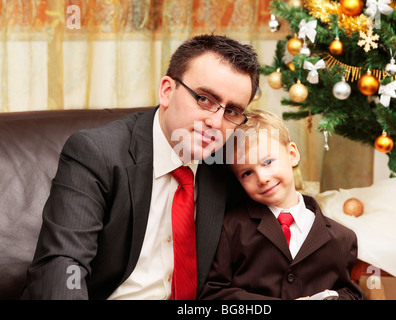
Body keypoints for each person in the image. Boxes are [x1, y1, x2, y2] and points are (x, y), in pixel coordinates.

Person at [24, 34, 260, 300]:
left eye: (231, 111)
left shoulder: (227, 163)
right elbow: (61, 265)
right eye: (204, 99)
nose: (216, 123)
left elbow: (273, 219)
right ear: (167, 91)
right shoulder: (96, 152)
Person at [199, 109, 366, 300]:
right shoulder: (230, 229)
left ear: (292, 154)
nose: (262, 178)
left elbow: (350, 293)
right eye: (247, 173)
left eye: (268, 162)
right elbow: (213, 293)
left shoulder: (342, 238)